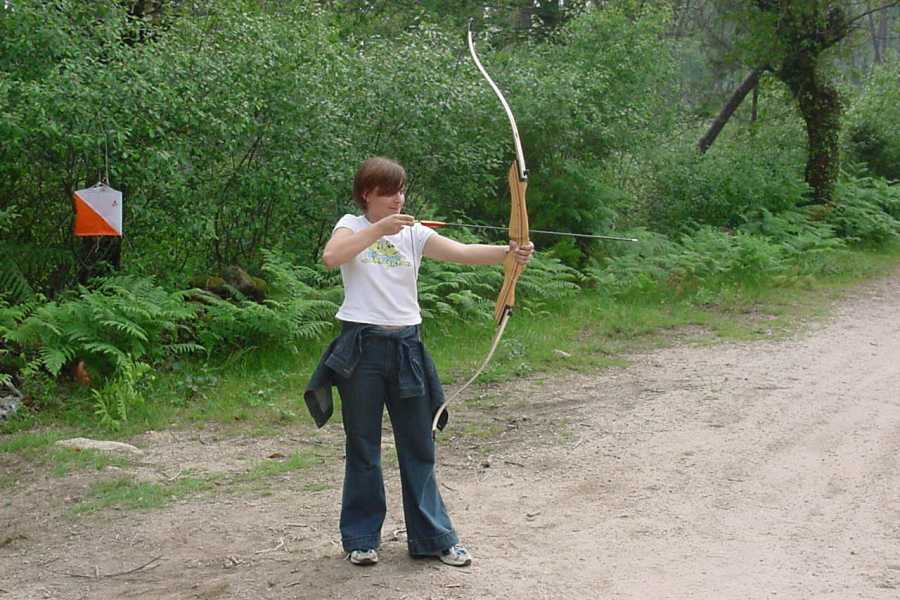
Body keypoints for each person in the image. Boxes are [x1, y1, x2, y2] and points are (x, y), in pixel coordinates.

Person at [304, 156, 534, 567]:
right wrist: (379, 230)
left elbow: (462, 252)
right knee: (363, 445)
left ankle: (433, 537)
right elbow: (332, 256)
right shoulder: (352, 225)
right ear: (367, 194)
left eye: (401, 191)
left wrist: (509, 252)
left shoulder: (413, 232)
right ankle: (361, 539)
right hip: (360, 347)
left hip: (406, 346)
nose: (398, 199)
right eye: (388, 192)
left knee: (419, 443)